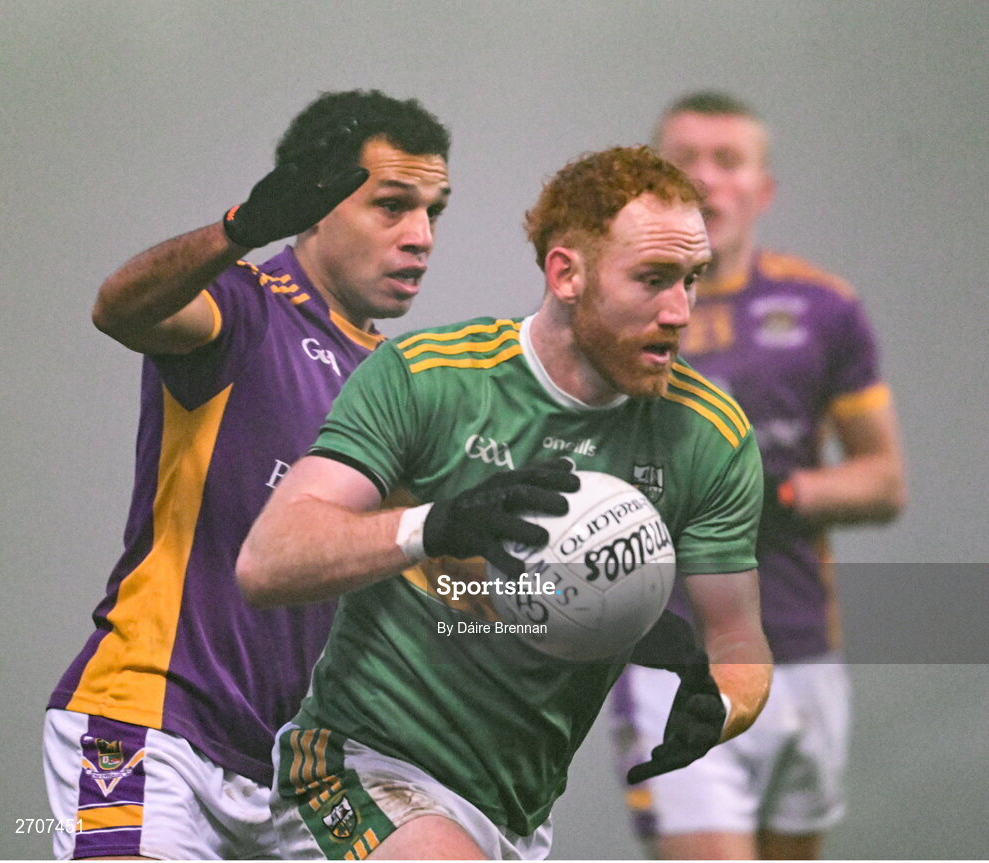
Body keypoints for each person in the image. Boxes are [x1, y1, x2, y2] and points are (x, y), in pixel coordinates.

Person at [236, 146, 774, 860]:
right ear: (566, 273)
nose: (679, 312)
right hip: (355, 767)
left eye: (692, 279)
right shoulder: (430, 379)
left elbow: (738, 640)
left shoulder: (710, 437)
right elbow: (268, 562)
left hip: (515, 814)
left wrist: (722, 706)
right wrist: (437, 524)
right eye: (652, 279)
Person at [43, 89, 452, 860]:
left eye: (434, 211)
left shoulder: (403, 387)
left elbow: (443, 578)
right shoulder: (243, 307)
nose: (422, 236)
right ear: (318, 202)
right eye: (393, 205)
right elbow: (120, 310)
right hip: (144, 731)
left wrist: (588, 608)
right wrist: (238, 231)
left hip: (305, 775)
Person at [609, 91, 907, 860]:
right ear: (648, 183)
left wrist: (772, 493)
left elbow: (883, 480)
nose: (706, 179)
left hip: (804, 651)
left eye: (728, 161)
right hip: (674, 656)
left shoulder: (823, 308)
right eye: (684, 161)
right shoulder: (610, 312)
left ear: (761, 189)